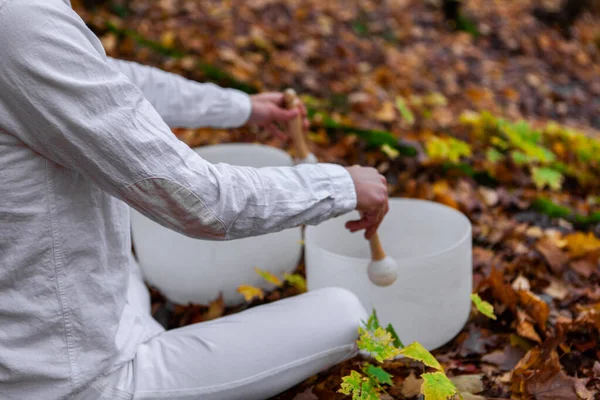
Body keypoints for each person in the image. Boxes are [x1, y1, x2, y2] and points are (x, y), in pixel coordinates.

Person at [0, 0, 389, 399]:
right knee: (348, 313)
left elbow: (102, 77)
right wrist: (341, 185)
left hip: (66, 323)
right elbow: (199, 201)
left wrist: (241, 108)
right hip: (75, 380)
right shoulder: (18, 20)